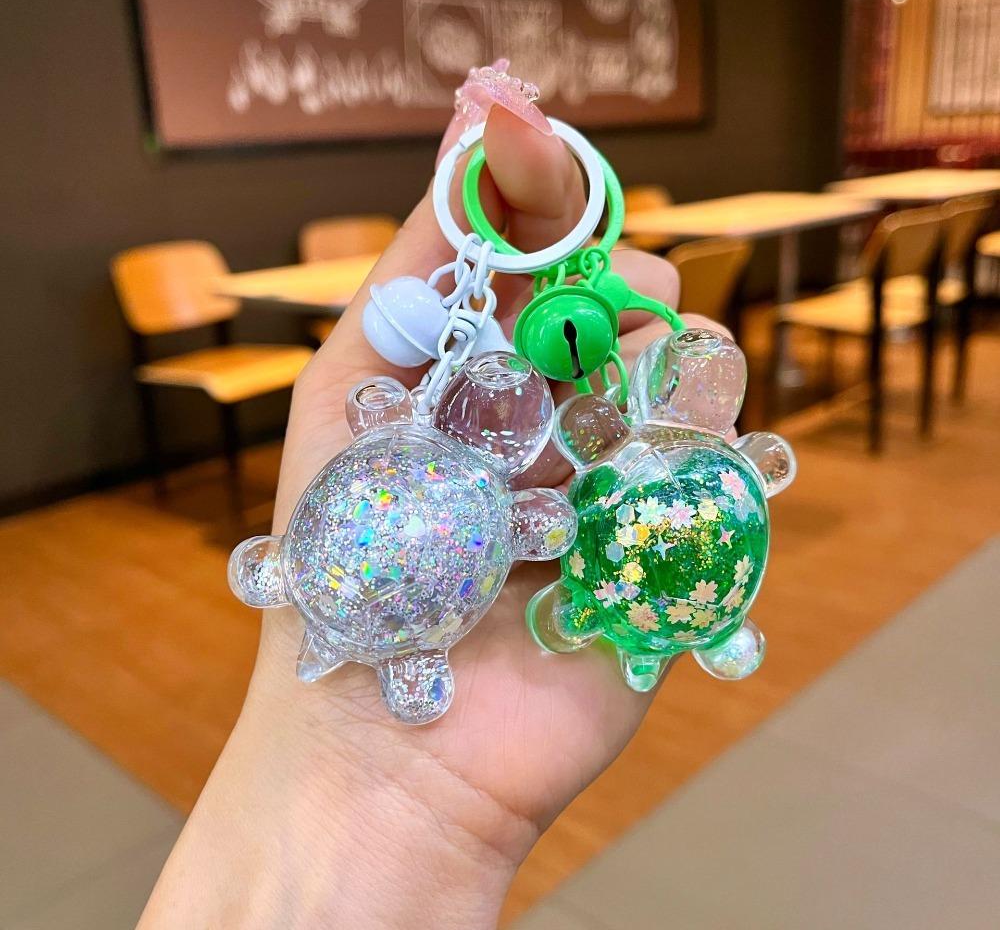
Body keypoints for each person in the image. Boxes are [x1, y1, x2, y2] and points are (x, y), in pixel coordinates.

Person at [138, 105, 727, 929]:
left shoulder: (448, 448)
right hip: (366, 578)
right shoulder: (427, 438)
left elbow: (534, 516)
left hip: (389, 570)